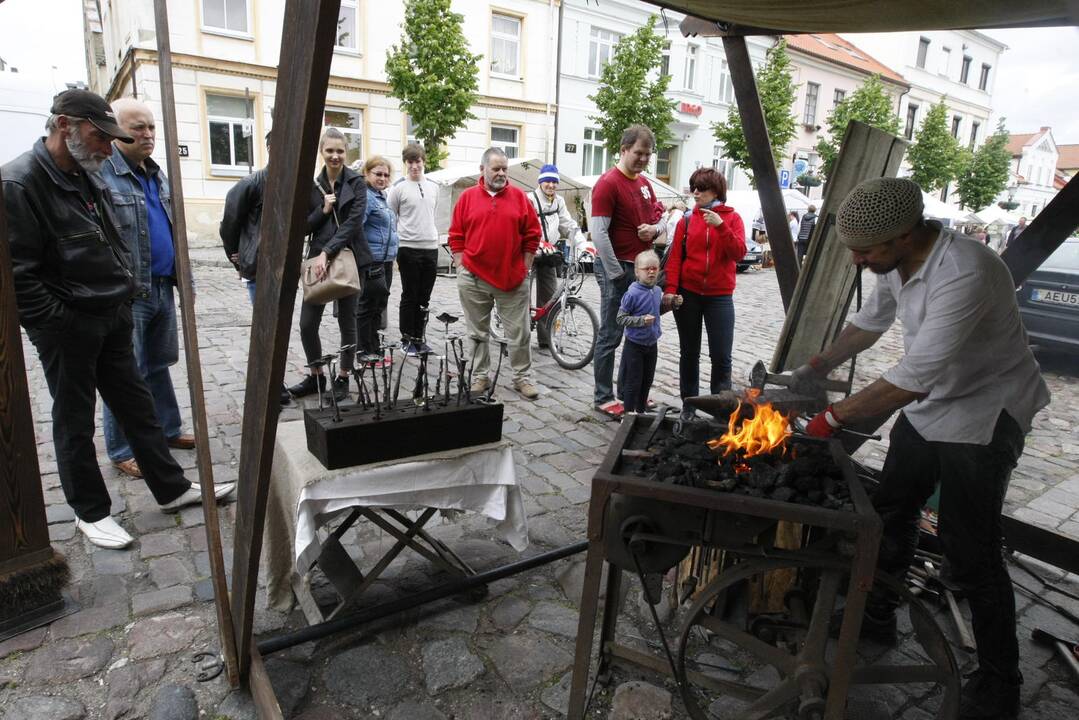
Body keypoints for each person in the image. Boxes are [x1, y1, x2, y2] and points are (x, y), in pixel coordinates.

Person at [793, 178, 1049, 720]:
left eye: (867, 251)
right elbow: (870, 322)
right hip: (934, 403)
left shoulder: (966, 272)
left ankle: (1001, 682)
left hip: (986, 410)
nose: (859, 261)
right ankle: (879, 613)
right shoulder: (897, 262)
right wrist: (815, 367)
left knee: (971, 549)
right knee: (891, 508)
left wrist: (830, 418)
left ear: (906, 234)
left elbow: (913, 376)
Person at [3, 89, 232, 549]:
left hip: (112, 314)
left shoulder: (87, 175)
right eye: (99, 136)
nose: (107, 147)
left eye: (111, 139)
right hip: (69, 326)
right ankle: (91, 512)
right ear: (64, 125)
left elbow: (112, 240)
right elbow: (18, 276)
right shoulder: (20, 183)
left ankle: (170, 488)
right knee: (74, 419)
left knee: (139, 407)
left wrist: (124, 296)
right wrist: (62, 324)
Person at [95, 98, 194, 479]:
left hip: (162, 287)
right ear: (116, 130)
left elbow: (174, 230)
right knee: (123, 371)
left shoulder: (156, 174)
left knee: (158, 365)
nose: (148, 134)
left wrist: (186, 281)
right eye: (138, 127)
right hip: (127, 294)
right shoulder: (104, 174)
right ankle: (121, 449)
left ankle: (168, 430)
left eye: (151, 127)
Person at [448, 147, 542, 400]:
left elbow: (533, 235)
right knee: (477, 332)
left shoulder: (520, 198)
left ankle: (522, 377)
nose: (501, 173)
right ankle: (480, 376)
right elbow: (456, 235)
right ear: (482, 169)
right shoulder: (467, 198)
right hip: (473, 277)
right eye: (496, 168)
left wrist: (525, 267)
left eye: (504, 169)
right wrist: (461, 265)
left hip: (512, 278)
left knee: (519, 332)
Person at [286, 128, 371, 402]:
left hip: (348, 258)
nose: (335, 156)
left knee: (348, 322)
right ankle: (316, 375)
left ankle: (344, 376)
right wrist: (322, 210)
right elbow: (303, 227)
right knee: (307, 323)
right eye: (330, 151)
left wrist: (327, 251)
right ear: (322, 152)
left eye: (340, 151)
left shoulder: (357, 182)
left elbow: (353, 223)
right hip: (318, 264)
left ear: (346, 153)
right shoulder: (313, 186)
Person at [590, 124, 665, 418]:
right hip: (618, 267)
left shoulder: (644, 184)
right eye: (638, 153)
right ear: (623, 150)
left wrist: (654, 228)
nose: (643, 159)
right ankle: (603, 396)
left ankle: (629, 393)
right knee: (611, 333)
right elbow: (598, 233)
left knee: (637, 332)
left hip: (641, 269)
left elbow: (661, 220)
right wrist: (616, 276)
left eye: (648, 154)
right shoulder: (608, 183)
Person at [662, 167, 746, 419]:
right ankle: (689, 405)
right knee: (689, 353)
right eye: (693, 187)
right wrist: (670, 291)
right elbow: (675, 258)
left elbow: (739, 253)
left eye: (702, 188)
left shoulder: (733, 219)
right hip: (689, 294)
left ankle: (722, 408)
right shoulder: (687, 220)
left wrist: (721, 227)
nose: (695, 193)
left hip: (720, 297)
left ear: (716, 191)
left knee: (721, 355)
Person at [219, 131, 291, 407]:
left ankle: (274, 382)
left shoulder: (290, 181)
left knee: (277, 327)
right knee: (266, 328)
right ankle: (270, 386)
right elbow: (229, 224)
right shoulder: (252, 183)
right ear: (271, 148)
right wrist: (236, 256)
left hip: (283, 268)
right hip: (259, 268)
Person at [388, 143, 439, 354]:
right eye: (410, 162)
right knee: (410, 294)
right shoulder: (398, 188)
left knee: (424, 296)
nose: (414, 166)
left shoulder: (434, 187)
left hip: (431, 247)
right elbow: (392, 218)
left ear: (423, 161)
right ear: (406, 164)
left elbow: (432, 214)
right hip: (408, 247)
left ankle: (419, 337)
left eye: (417, 161)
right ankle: (407, 339)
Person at [616, 250, 680, 414]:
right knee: (633, 381)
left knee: (647, 379)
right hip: (634, 345)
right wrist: (640, 321)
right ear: (637, 272)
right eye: (647, 269)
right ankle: (628, 414)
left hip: (652, 343)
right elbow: (621, 318)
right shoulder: (632, 293)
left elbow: (657, 312)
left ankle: (641, 410)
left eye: (655, 268)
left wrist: (673, 304)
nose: (651, 272)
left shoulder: (657, 290)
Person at [526, 164, 579, 348]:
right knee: (522, 294)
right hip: (529, 253)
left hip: (549, 254)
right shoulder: (530, 199)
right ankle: (520, 338)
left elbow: (568, 224)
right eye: (547, 181)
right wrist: (537, 243)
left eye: (554, 182)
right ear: (540, 182)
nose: (551, 185)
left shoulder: (559, 201)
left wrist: (582, 243)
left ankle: (545, 338)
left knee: (549, 296)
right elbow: (524, 228)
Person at [355, 156, 399, 359]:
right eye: (378, 174)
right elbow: (357, 229)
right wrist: (366, 258)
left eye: (386, 175)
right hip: (373, 260)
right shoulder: (367, 197)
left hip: (386, 260)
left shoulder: (381, 196)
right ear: (367, 173)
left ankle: (373, 346)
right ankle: (364, 350)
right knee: (368, 305)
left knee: (378, 304)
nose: (383, 178)